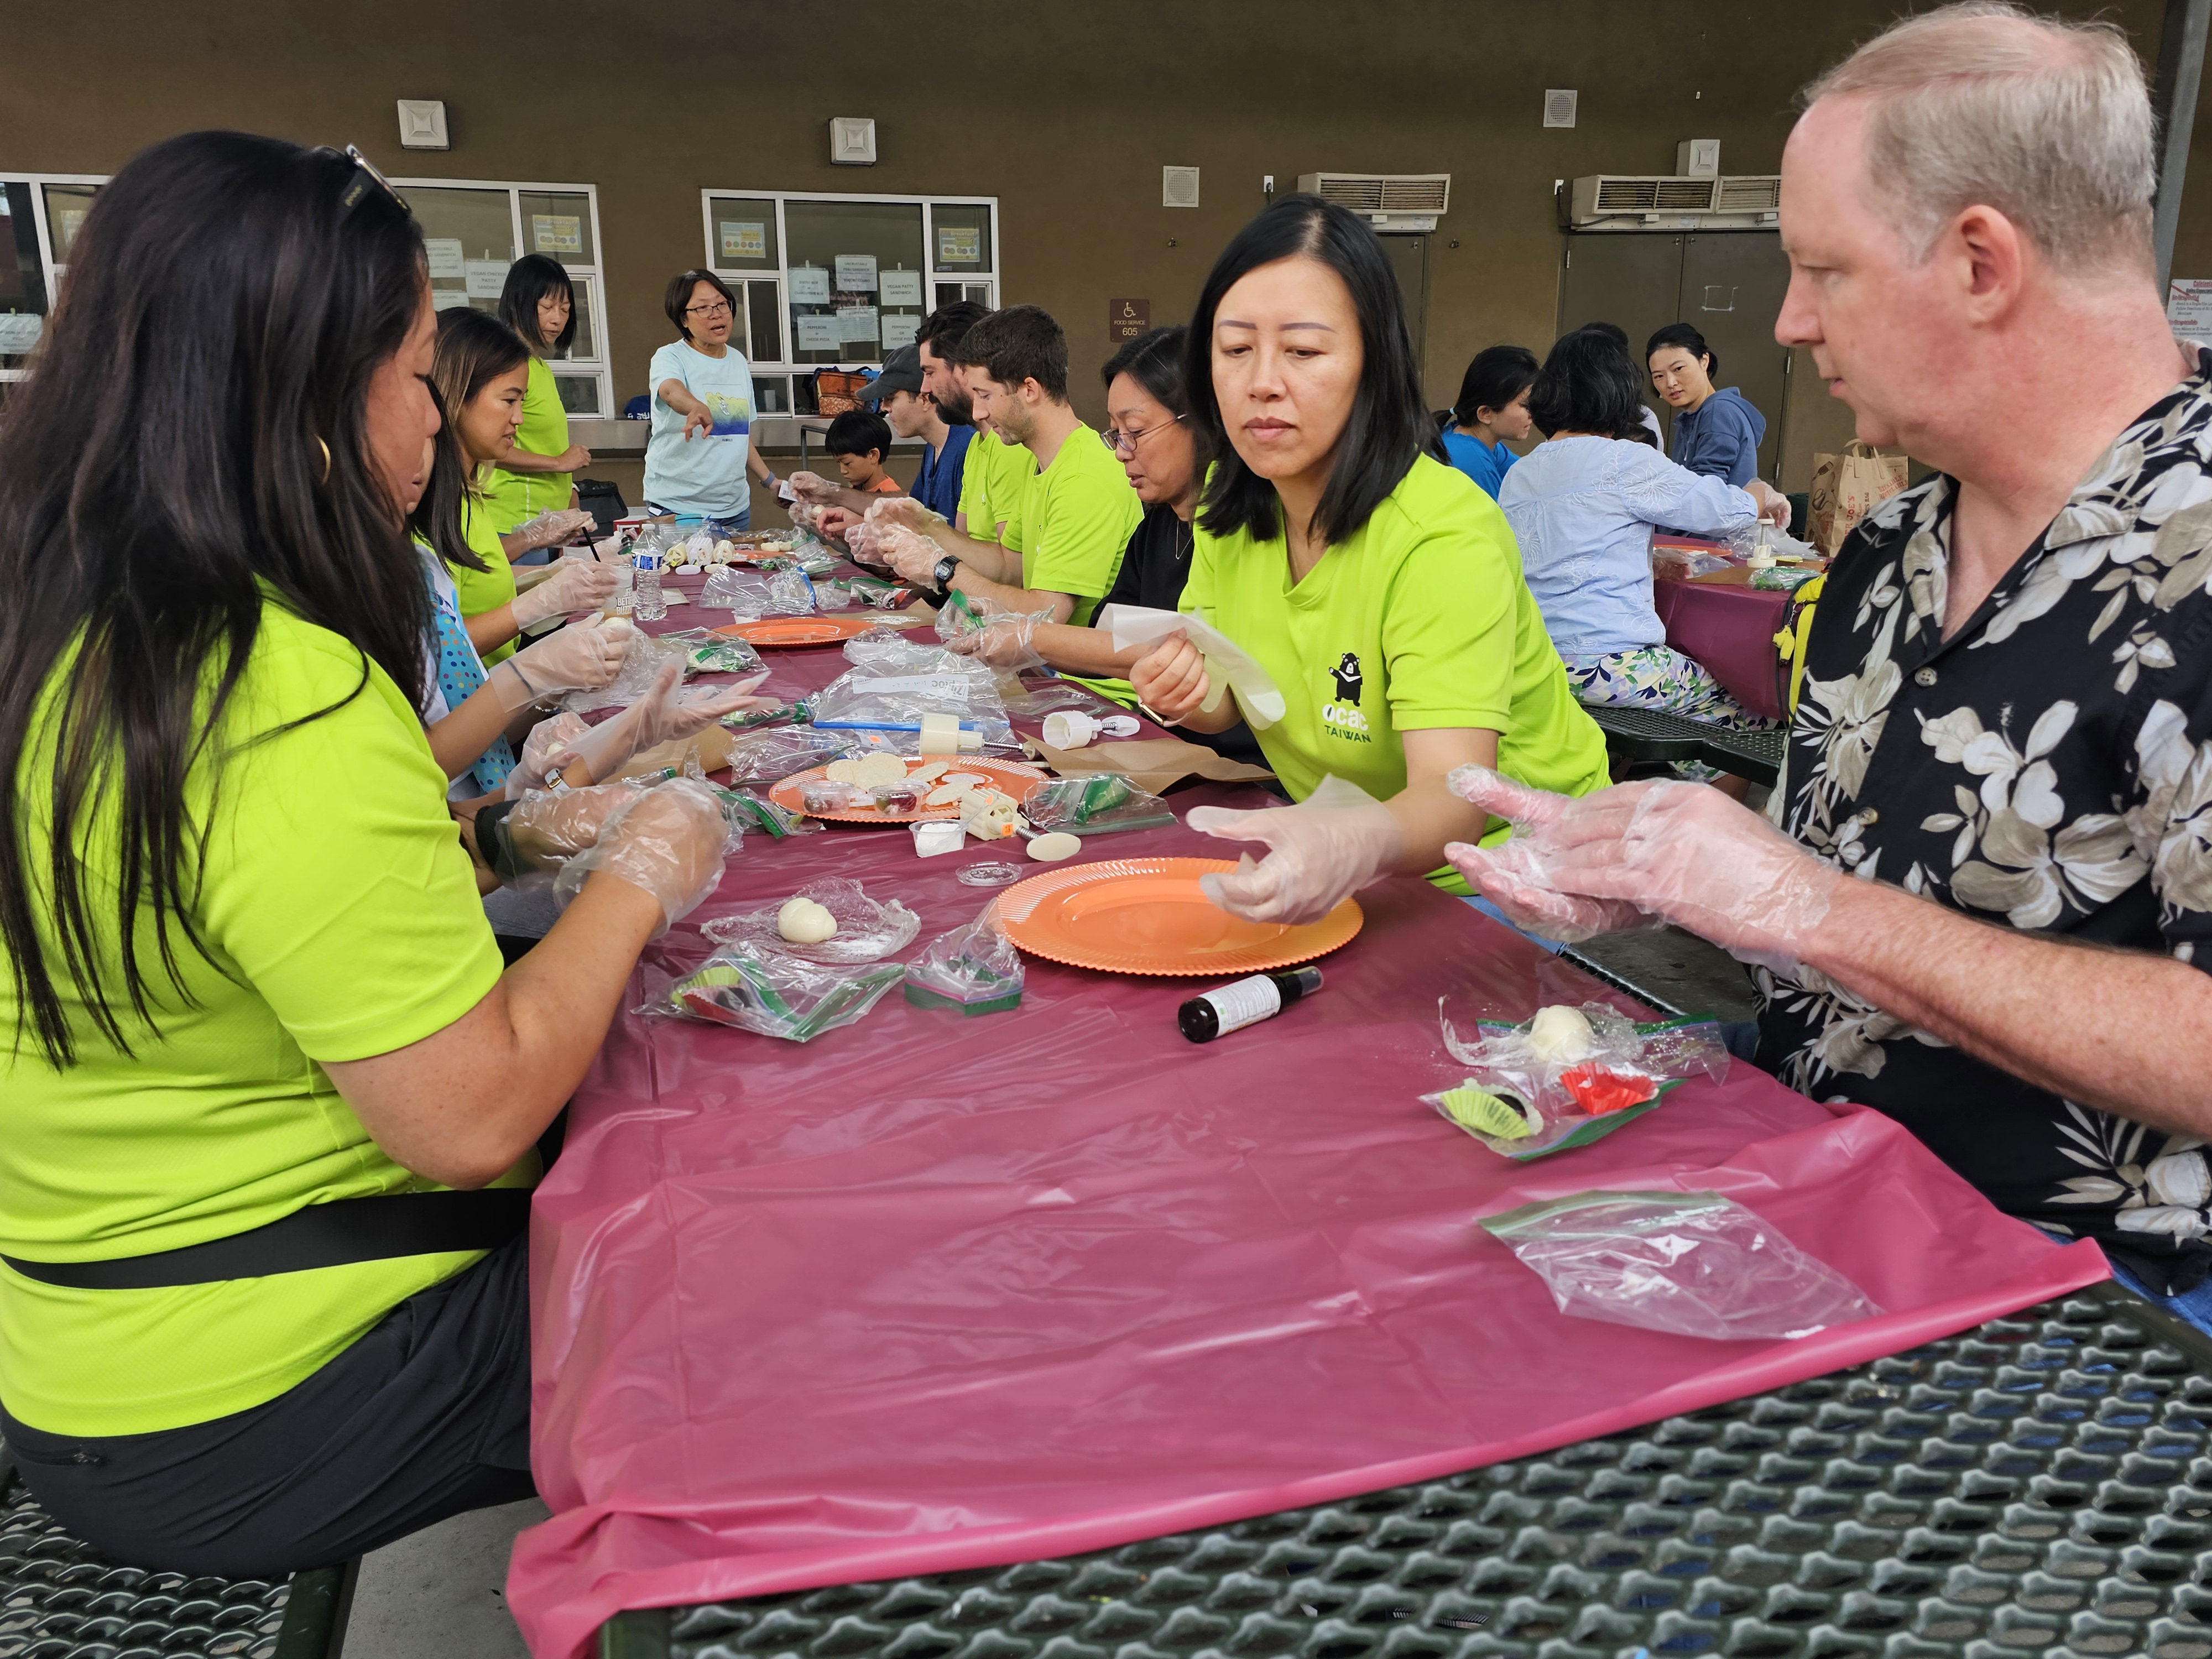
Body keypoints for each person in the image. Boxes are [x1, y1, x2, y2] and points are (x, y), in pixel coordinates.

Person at [0, 132, 731, 1575]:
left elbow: (289, 901)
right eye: (417, 377)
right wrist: (651, 857)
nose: (430, 421)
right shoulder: (268, 681)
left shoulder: (80, 616)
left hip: (84, 1349)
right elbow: (475, 1112)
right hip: (250, 1395)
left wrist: (514, 823)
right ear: (313, 400)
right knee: (736, 1252)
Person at [1447, 2, 2212, 1321]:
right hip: (1807, 1176)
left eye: (1824, 269)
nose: (1790, 322)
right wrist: (1658, 872)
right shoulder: (1888, 550)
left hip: (2097, 1304)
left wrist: (1807, 910)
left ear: (1982, 263)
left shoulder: (2187, 559)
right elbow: (1839, 887)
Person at [1116, 195, 1610, 926]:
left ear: (1372, 364)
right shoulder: (1232, 502)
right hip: (1352, 854)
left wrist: (1350, 840)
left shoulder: (1440, 532)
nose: (1262, 382)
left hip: (1513, 874)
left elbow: (1454, 797)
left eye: (1305, 351)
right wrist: (1185, 688)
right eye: (1236, 348)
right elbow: (1233, 695)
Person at [940, 326, 1267, 767]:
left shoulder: (1253, 530)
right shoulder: (1158, 529)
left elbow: (1204, 673)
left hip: (1243, 765)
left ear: (1206, 423)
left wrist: (1032, 636)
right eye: (1115, 434)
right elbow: (1111, 642)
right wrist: (1013, 627)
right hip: (1167, 739)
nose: (1121, 452)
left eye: (1134, 431)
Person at [1499, 328, 1787, 790]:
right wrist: (1760, 495)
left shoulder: (1521, 471)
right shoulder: (1623, 460)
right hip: (1609, 667)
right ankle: (1707, 839)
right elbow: (1720, 509)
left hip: (1533, 661)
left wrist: (1644, 560)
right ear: (1618, 394)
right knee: (1751, 705)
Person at [873, 305, 1139, 626]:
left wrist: (941, 567)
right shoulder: (1041, 463)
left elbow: (1044, 615)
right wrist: (925, 526)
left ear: (1029, 390)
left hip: (1077, 676)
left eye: (985, 396)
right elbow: (1008, 569)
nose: (977, 414)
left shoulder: (1083, 478)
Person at [430, 309, 613, 666]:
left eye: (522, 402)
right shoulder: (429, 502)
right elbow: (438, 648)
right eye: (509, 401)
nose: (519, 419)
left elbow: (476, 577)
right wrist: (539, 603)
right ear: (455, 395)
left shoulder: (469, 492)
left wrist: (554, 572)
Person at [644, 269, 778, 531]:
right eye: (703, 308)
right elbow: (670, 391)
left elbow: (738, 435)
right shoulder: (670, 357)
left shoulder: (738, 362)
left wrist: (770, 481)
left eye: (721, 304)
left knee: (730, 573)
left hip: (734, 510)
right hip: (679, 509)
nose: (716, 313)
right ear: (684, 318)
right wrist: (695, 406)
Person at [480, 254, 591, 535]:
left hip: (544, 523)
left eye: (565, 310)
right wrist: (558, 464)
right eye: (548, 307)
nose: (557, 319)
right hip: (513, 523)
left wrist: (568, 493)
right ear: (521, 305)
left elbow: (541, 441)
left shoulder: (540, 367)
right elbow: (484, 443)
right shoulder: (508, 366)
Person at [918, 300, 1035, 549]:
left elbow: (1010, 570)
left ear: (963, 370)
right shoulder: (976, 444)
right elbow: (963, 546)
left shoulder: (1009, 444)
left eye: (930, 373)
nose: (924, 389)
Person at [1647, 322, 1766, 486]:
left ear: (1704, 361)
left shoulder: (1718, 412)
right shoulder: (1691, 418)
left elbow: (1706, 494)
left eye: (1678, 368)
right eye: (1659, 376)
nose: (1670, 383)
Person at [871, 342, 970, 520]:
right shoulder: (934, 447)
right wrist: (833, 495)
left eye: (891, 398)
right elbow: (914, 507)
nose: (884, 407)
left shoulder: (965, 449)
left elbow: (966, 539)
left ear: (924, 399)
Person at [1441, 345, 1537, 499]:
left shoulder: (1475, 441)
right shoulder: (1475, 465)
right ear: (1485, 413)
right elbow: (1500, 521)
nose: (1534, 413)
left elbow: (1530, 477)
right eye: (1525, 405)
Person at [823, 408, 900, 494]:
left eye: (847, 463)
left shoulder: (891, 499)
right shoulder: (859, 486)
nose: (843, 471)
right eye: (838, 462)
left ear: (873, 456)